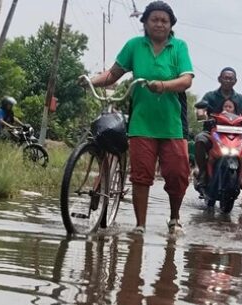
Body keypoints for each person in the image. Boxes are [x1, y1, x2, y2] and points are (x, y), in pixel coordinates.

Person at [83, 1, 194, 235]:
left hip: (173, 123)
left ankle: (174, 218)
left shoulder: (179, 47)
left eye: (164, 20)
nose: (159, 24)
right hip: (142, 122)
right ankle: (140, 225)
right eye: (154, 19)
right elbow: (113, 74)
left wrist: (163, 85)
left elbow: (186, 80)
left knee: (177, 174)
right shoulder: (134, 46)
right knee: (141, 176)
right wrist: (91, 80)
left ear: (171, 25)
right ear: (145, 22)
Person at [194, 67, 242, 194]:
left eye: (231, 78)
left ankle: (241, 176)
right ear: (219, 79)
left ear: (235, 81)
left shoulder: (240, 98)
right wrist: (201, 114)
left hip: (235, 136)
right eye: (225, 78)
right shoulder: (210, 96)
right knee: (200, 140)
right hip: (212, 133)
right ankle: (202, 172)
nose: (228, 80)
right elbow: (201, 109)